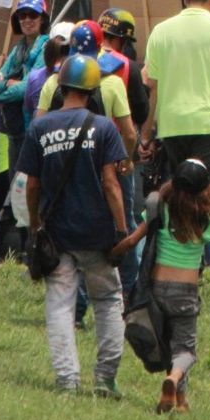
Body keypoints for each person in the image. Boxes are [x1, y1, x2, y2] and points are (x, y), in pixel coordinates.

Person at [108, 157, 210, 413]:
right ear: (205, 189)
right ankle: (173, 378)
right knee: (186, 350)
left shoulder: (160, 208)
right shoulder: (205, 219)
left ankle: (179, 400)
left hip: (156, 288)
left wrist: (112, 252)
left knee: (169, 343)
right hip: (185, 293)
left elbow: (133, 239)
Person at [18, 54, 129, 395]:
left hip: (58, 233)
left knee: (60, 304)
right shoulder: (105, 128)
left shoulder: (40, 128)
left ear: (61, 86)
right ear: (93, 89)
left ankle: (67, 380)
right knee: (108, 299)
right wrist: (122, 229)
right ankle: (105, 380)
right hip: (97, 233)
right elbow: (111, 184)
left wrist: (36, 223)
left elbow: (31, 185)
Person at [141, 0, 210, 183]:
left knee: (180, 188)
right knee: (206, 190)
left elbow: (151, 86)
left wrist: (146, 135)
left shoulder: (160, 32)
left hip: (173, 125)